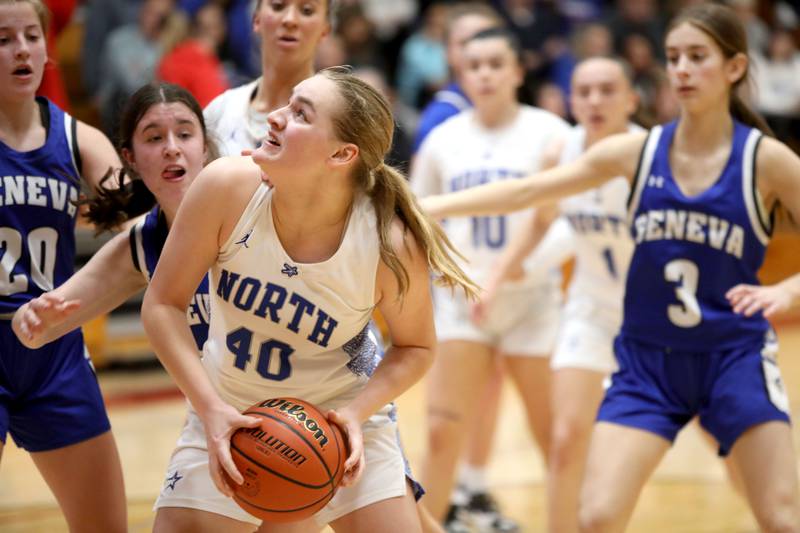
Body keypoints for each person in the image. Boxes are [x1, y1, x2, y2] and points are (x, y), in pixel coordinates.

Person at [420, 4, 800, 531]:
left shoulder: (767, 159)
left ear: (735, 67)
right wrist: (423, 205)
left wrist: (788, 290)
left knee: (777, 512)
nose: (683, 69)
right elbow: (529, 197)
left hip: (728, 350)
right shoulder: (633, 153)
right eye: (673, 58)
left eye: (697, 56)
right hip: (641, 350)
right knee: (590, 501)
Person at [141, 67, 477, 533]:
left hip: (338, 425)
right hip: (230, 413)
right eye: (287, 104)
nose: (276, 117)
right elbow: (162, 304)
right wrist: (210, 409)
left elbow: (417, 348)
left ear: (342, 154)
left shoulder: (387, 243)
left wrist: (356, 415)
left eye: (299, 114)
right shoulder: (226, 188)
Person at [411, 27, 569, 530]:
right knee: (440, 432)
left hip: (533, 305)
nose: (484, 74)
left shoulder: (551, 133)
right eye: (473, 65)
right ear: (462, 73)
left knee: (553, 437)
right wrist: (445, 275)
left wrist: (527, 266)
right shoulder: (442, 140)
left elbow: (571, 218)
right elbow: (420, 218)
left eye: (495, 63)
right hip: (462, 305)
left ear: (518, 71)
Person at [474, 56, 640, 533]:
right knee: (565, 439)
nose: (594, 100)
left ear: (631, 99)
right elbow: (541, 220)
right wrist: (498, 276)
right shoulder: (561, 151)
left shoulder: (648, 156)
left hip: (649, 319)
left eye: (607, 89)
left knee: (718, 435)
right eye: (583, 91)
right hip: (589, 312)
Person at [0, 1, 126, 531]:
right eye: (4, 38)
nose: (22, 48)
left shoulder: (80, 140)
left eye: (31, 35)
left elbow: (141, 231)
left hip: (55, 348)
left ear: (48, 48)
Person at [13, 82, 215, 361]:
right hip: (217, 402)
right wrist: (30, 318)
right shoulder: (143, 245)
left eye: (184, 134)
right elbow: (36, 332)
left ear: (204, 147)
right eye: (154, 138)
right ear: (130, 158)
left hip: (285, 395)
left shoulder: (247, 209)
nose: (172, 148)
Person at [203, 0, 335, 157]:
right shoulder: (220, 111)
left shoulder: (336, 118)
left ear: (325, 30)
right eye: (278, 6)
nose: (290, 19)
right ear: (256, 20)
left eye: (306, 10)